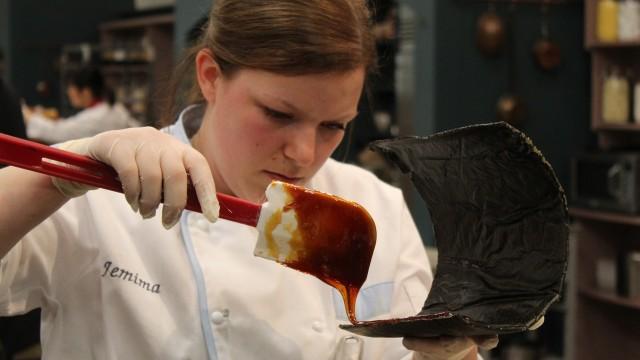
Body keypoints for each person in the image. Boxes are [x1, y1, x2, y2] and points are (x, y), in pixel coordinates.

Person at [0, 1, 498, 359]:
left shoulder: (371, 209)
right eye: (279, 114)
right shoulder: (102, 195)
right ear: (211, 76)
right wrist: (61, 174)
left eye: (333, 126)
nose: (304, 154)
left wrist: (448, 357)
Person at [22, 66, 137, 144]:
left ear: (85, 92)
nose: (69, 93)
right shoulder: (115, 108)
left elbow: (57, 132)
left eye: (71, 88)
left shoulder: (97, 116)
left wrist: (27, 115)